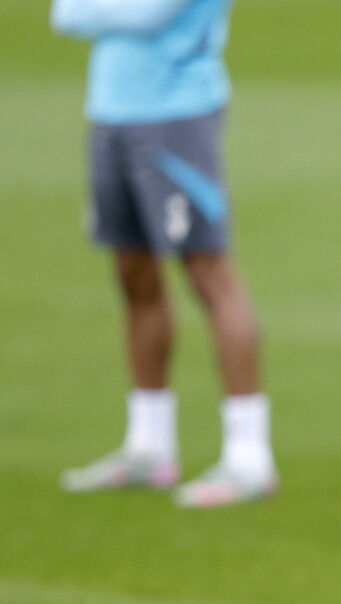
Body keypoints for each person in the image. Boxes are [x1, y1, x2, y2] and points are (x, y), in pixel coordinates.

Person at [51, 0, 278, 507]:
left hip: (176, 115)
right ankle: (149, 446)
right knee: (133, 274)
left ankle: (250, 458)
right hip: (111, 112)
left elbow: (143, 13)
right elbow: (66, 13)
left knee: (208, 272)